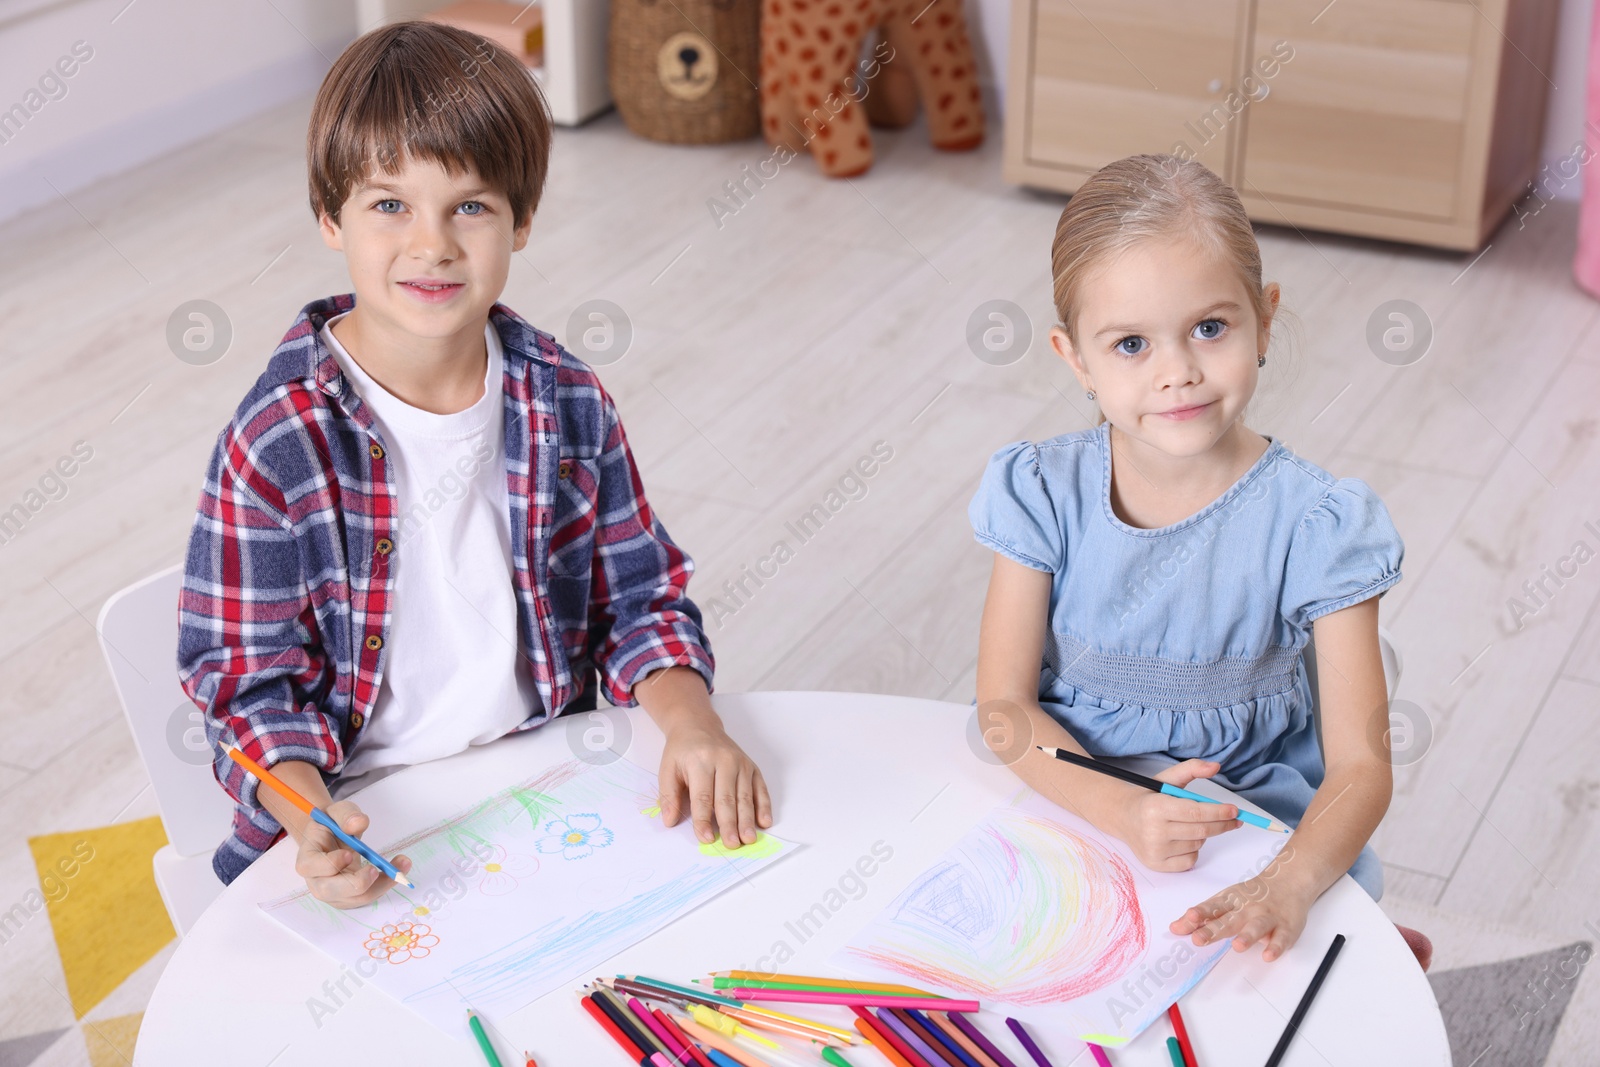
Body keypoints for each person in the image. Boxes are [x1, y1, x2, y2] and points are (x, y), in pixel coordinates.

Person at [178, 21, 771, 903]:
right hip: (361, 815)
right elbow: (246, 685)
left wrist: (691, 724)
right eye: (389, 205)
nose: (433, 244)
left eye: (471, 205)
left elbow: (638, 597)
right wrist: (312, 820)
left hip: (549, 782)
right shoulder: (278, 440)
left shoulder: (564, 397)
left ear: (521, 220)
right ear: (328, 217)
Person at [970, 153, 1428, 966]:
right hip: (1073, 792)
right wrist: (1120, 809)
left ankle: (1365, 950)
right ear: (1074, 357)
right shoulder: (1042, 489)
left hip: (1245, 827)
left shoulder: (1319, 522)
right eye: (1131, 344)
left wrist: (1289, 882)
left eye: (1210, 328)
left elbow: (1362, 765)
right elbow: (1005, 709)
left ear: (1265, 320)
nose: (1177, 370)